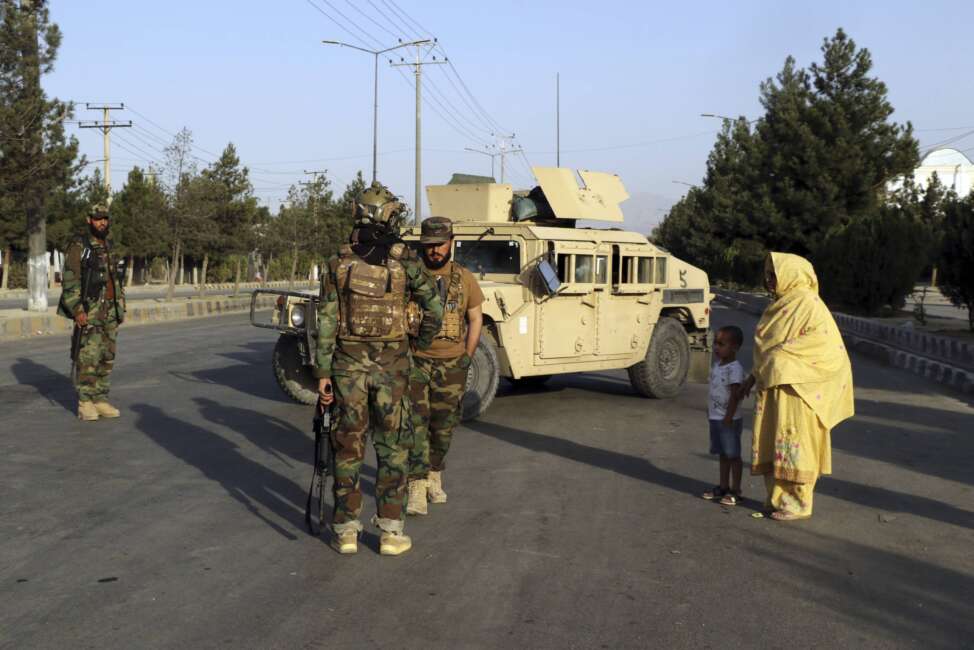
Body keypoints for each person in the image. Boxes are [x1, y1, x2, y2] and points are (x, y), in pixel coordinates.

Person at [314, 181, 443, 556]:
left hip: (347, 367)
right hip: (393, 368)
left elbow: (325, 320)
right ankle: (389, 532)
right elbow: (433, 307)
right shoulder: (404, 260)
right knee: (393, 448)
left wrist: (323, 372)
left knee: (347, 447)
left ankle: (346, 532)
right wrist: (416, 345)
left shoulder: (338, 262)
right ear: (388, 215)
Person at [741, 252, 854, 521]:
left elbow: (826, 347)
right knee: (775, 441)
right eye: (768, 275)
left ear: (792, 275)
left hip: (800, 388)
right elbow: (766, 351)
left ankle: (799, 503)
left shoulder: (808, 303)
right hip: (776, 385)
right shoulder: (780, 305)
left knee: (796, 443)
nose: (769, 281)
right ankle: (778, 499)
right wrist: (752, 377)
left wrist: (784, 358)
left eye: (775, 275)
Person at [405, 217, 484, 516]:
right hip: (417, 361)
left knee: (443, 427)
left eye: (440, 244)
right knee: (415, 424)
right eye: (429, 246)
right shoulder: (410, 276)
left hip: (452, 364)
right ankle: (416, 484)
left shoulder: (464, 278)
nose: (435, 251)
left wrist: (467, 355)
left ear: (451, 242)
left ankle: (434, 472)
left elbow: (475, 317)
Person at [57, 205, 126, 421]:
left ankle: (100, 399)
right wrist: (77, 309)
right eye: (97, 219)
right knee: (89, 356)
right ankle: (85, 402)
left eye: (105, 218)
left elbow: (116, 279)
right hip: (90, 309)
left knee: (107, 355)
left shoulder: (109, 244)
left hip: (110, 310)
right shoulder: (80, 245)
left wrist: (121, 305)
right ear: (89, 220)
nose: (102, 222)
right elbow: (70, 280)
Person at [701, 325, 745, 506]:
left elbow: (735, 396)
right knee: (722, 454)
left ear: (734, 347)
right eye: (716, 344)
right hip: (716, 418)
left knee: (733, 455)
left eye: (722, 344)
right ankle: (723, 486)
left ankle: (736, 490)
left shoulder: (734, 369)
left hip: (729, 420)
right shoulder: (718, 365)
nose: (717, 348)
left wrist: (728, 417)